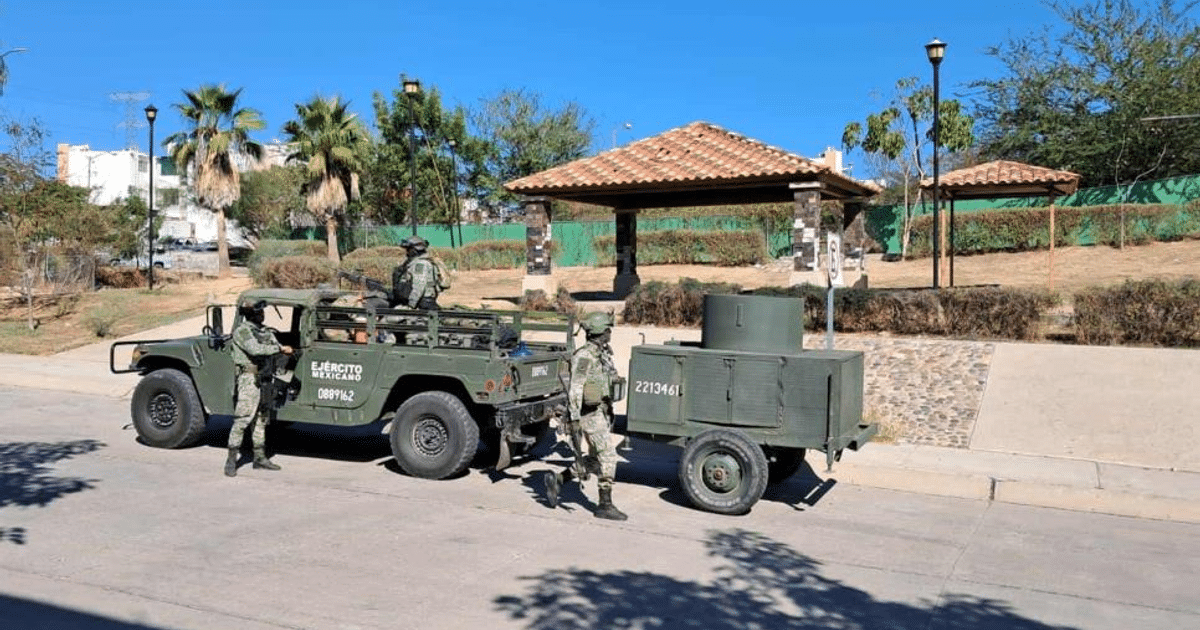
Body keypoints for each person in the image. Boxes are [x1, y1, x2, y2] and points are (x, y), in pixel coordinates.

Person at [544, 311, 627, 521]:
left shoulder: (602, 353)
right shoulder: (584, 356)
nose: (610, 332)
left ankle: (559, 480)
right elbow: (575, 389)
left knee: (594, 460)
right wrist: (573, 420)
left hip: (601, 410)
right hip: (589, 414)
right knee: (608, 456)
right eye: (607, 328)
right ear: (600, 331)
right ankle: (604, 505)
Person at [225, 299, 293, 477]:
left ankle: (260, 458)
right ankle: (231, 460)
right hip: (249, 379)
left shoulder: (265, 331)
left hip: (265, 378)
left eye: (263, 312)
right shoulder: (243, 331)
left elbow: (277, 346)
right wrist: (278, 349)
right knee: (242, 419)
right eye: (259, 312)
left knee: (261, 420)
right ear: (251, 314)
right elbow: (254, 349)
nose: (262, 315)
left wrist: (282, 349)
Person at [391, 236, 441, 310]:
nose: (407, 252)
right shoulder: (415, 262)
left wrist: (411, 306)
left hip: (422, 303)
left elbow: (419, 287)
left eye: (408, 249)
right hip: (420, 302)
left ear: (414, 250)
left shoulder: (420, 264)